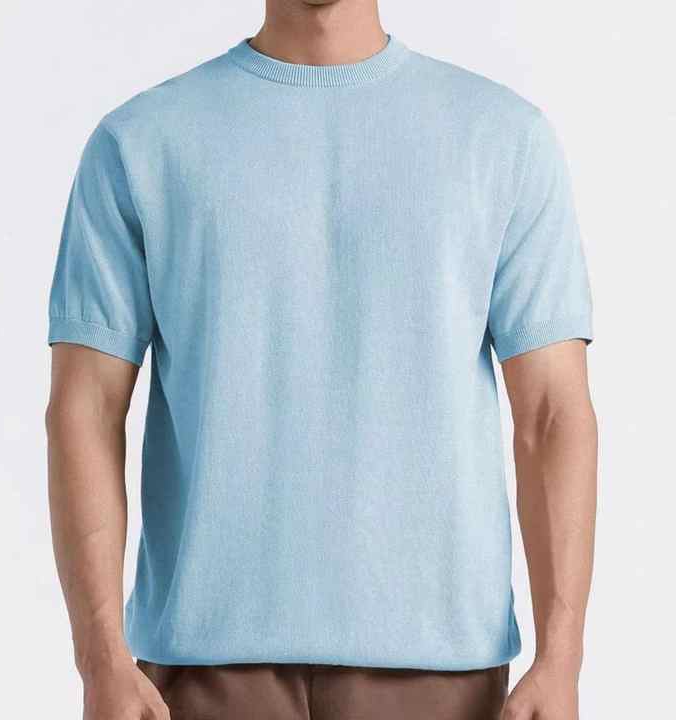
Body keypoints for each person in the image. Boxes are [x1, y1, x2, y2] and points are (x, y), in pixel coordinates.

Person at [45, 1, 597, 718]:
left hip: (443, 672)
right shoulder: (141, 142)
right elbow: (84, 407)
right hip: (197, 672)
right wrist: (100, 660)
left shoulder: (504, 139)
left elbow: (553, 413)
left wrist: (562, 658)